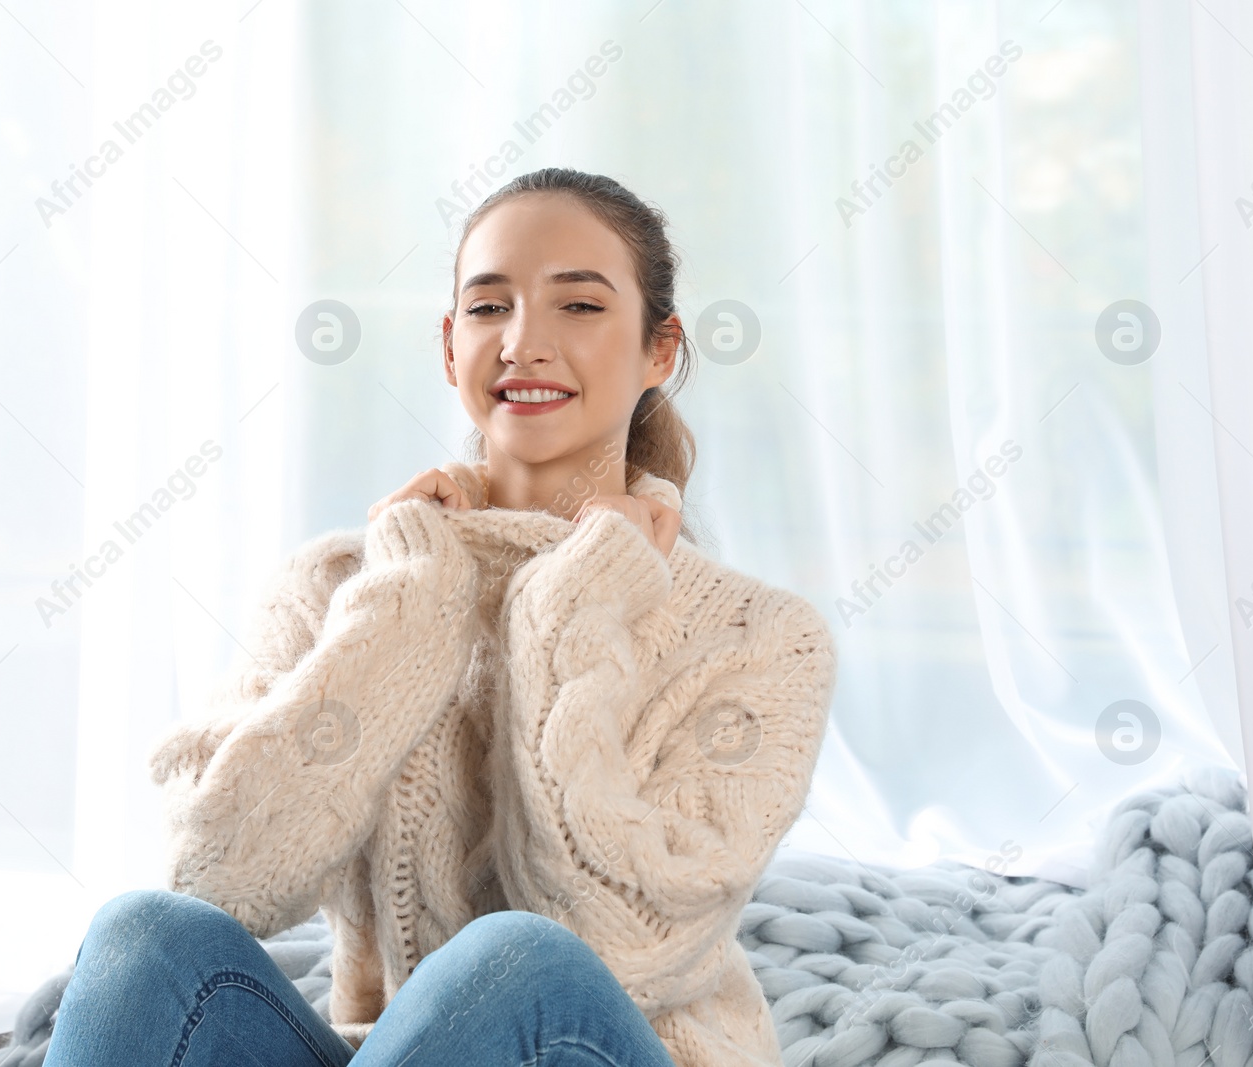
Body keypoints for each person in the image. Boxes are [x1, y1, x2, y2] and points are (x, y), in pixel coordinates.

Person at [45, 167, 837, 1067]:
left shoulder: (762, 636)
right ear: (449, 347)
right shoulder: (345, 585)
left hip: (599, 1044)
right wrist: (410, 607)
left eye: (578, 306)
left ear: (660, 350)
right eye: (489, 307)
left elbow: (620, 946)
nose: (524, 343)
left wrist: (569, 605)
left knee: (518, 958)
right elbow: (214, 876)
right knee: (145, 931)